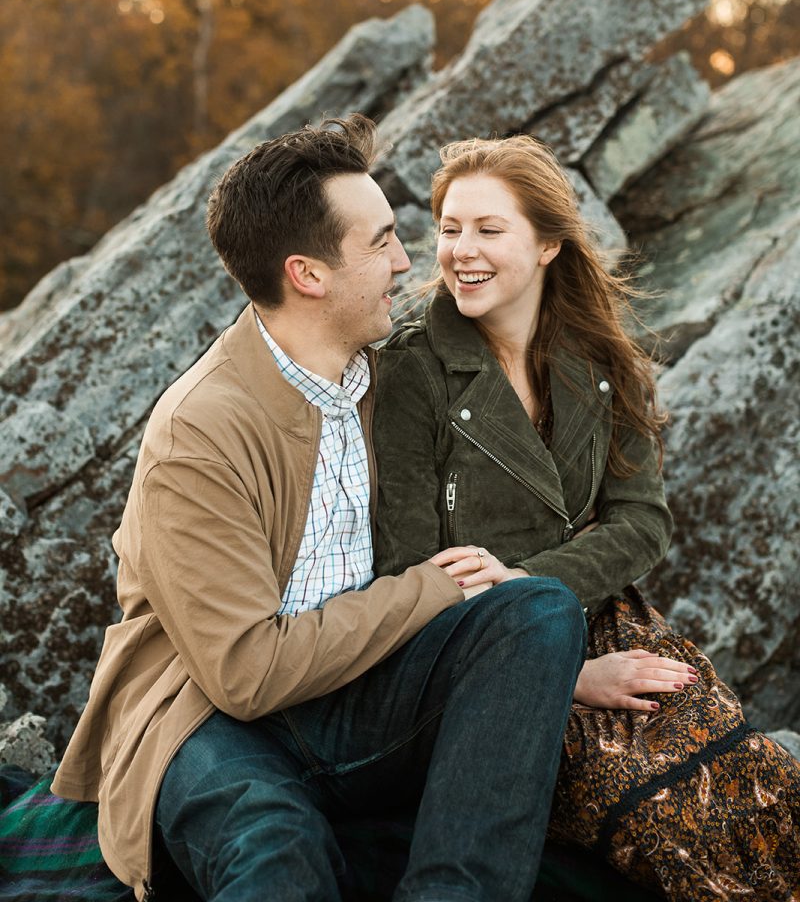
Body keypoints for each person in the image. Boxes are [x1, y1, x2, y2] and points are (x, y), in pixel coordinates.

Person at [51, 116, 588, 902]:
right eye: (379, 243)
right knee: (277, 849)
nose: (409, 262)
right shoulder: (201, 431)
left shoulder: (385, 380)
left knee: (538, 612)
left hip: (357, 693)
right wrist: (429, 590)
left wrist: (566, 665)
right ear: (308, 274)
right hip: (210, 716)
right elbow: (245, 673)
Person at [373, 134, 800, 901]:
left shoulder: (603, 357)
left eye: (487, 230)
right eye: (448, 228)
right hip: (476, 657)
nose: (460, 250)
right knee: (659, 811)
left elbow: (642, 521)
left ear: (547, 245)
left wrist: (533, 583)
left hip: (610, 619)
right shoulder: (412, 372)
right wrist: (558, 667)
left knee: (753, 778)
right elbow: (407, 570)